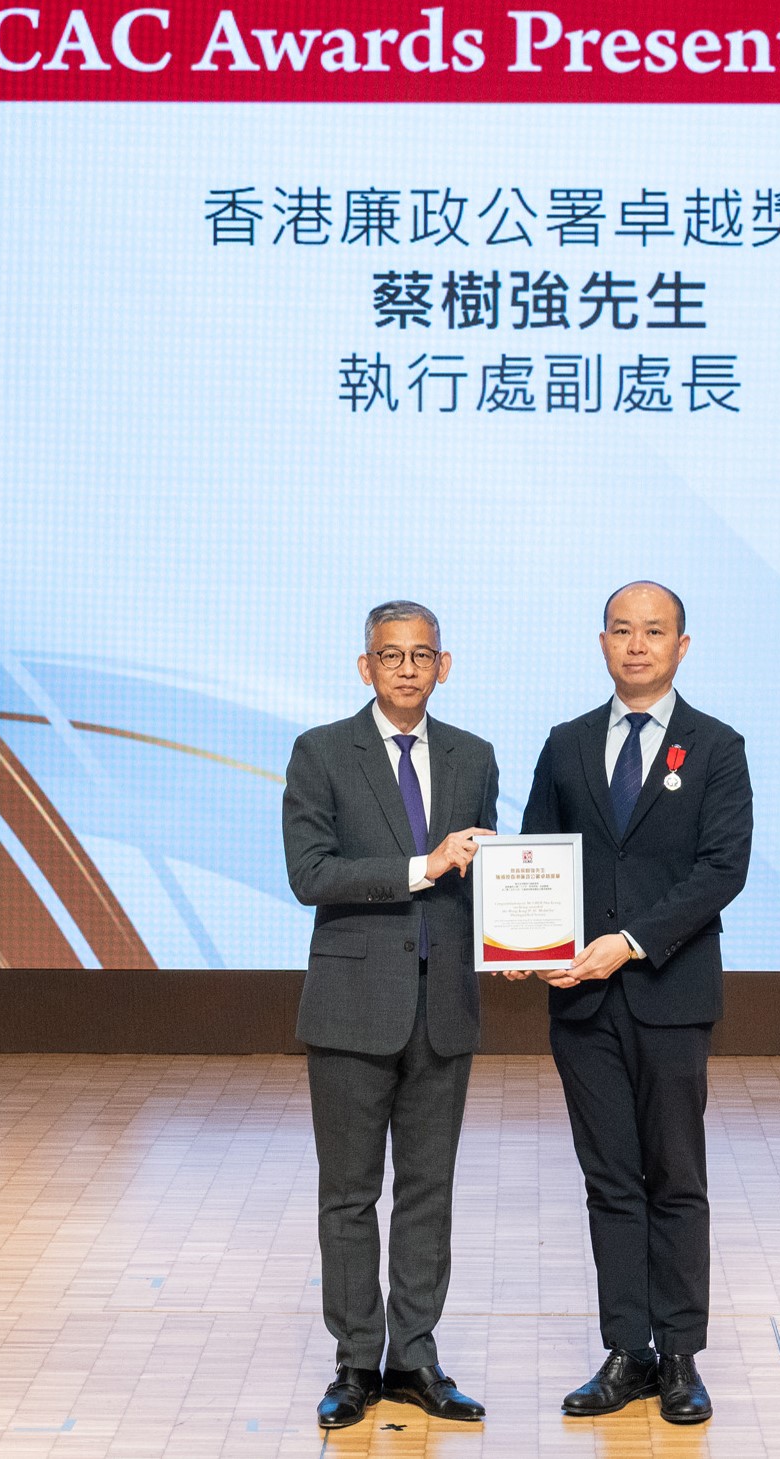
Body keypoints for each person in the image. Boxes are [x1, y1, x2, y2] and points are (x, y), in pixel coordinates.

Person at [517, 580, 753, 1425]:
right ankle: (627, 1349)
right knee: (609, 1178)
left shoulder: (716, 746)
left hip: (670, 994)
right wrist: (526, 946)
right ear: (603, 642)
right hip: (582, 1004)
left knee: (676, 1176)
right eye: (623, 629)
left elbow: (722, 869)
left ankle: (681, 1354)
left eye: (655, 631)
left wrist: (630, 940)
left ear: (682, 646)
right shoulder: (567, 743)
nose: (638, 644)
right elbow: (536, 855)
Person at [281, 600, 501, 1430]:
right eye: (390, 654)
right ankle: (354, 1360)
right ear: (364, 665)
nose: (407, 667)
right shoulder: (320, 751)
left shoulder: (474, 755)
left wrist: (527, 933)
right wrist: (421, 866)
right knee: (348, 1193)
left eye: (421, 654)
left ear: (445, 665)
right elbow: (310, 872)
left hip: (444, 1005)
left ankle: (414, 1357)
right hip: (351, 1007)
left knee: (427, 1191)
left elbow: (483, 878)